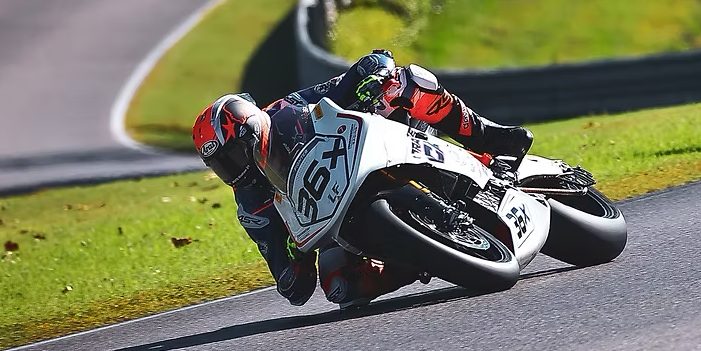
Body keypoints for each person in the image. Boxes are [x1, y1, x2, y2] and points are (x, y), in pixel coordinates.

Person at [191, 50, 533, 309]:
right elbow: (293, 287)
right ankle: (419, 257)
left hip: (373, 150)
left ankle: (489, 137)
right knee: (341, 289)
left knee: (403, 84)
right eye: (220, 164)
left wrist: (373, 75)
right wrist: (293, 247)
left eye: (231, 156)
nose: (231, 170)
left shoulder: (287, 110)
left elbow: (361, 71)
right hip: (340, 224)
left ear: (251, 128)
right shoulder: (252, 204)